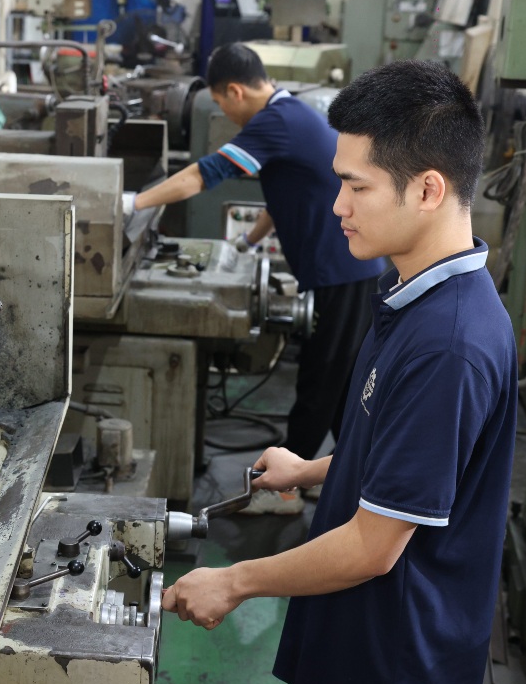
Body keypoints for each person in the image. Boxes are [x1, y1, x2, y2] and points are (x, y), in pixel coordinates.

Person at [161, 59, 518, 684]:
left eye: (357, 186)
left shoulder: (450, 342)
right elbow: (409, 459)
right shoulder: (411, 295)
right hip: (357, 656)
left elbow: (373, 546)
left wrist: (236, 581)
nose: (337, 206)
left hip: (394, 681)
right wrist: (313, 467)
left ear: (427, 189)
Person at [134, 42, 384, 461]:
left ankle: (284, 481)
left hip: (343, 272)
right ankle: (349, 475)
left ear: (235, 91)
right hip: (348, 270)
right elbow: (286, 196)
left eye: (220, 103)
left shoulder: (276, 120)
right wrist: (247, 242)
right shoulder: (291, 112)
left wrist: (133, 204)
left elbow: (205, 174)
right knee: (341, 387)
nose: (224, 113)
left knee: (322, 382)